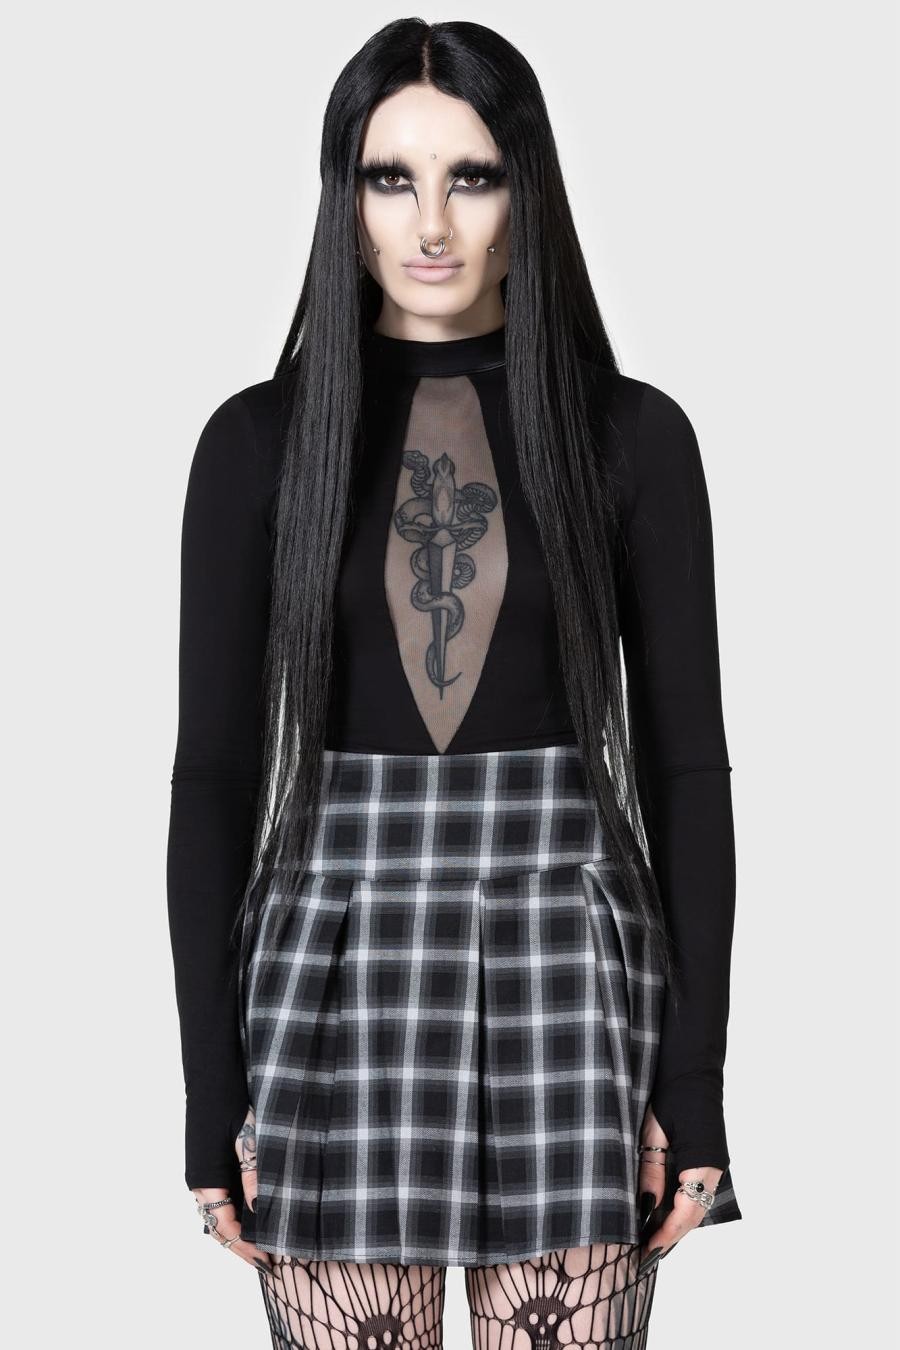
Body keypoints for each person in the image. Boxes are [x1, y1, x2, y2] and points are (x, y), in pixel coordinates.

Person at [166, 18, 742, 1348]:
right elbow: (213, 785)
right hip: (334, 961)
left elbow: (687, 776)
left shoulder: (633, 437)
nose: (431, 223)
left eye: (471, 176)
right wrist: (208, 1096)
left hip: (567, 959)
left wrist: (697, 1084)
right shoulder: (257, 444)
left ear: (527, 192)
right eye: (392, 177)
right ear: (345, 195)